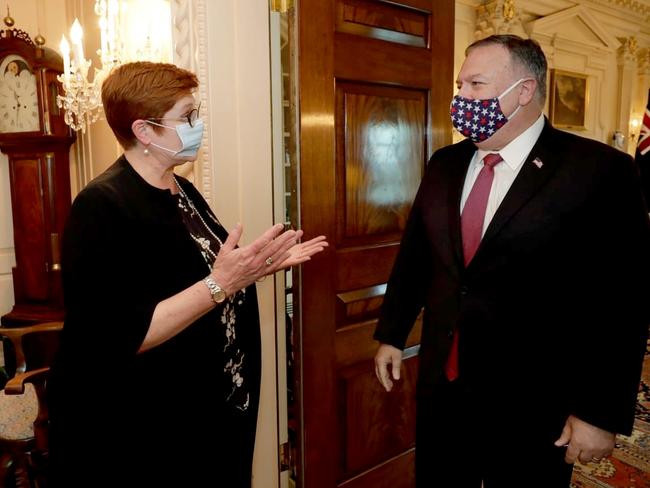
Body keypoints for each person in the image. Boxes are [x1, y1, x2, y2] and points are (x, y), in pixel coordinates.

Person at [373, 35, 650, 487]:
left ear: (524, 90)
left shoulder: (600, 172)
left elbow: (624, 303)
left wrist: (598, 413)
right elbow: (417, 256)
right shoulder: (445, 163)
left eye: (475, 85)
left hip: (535, 400)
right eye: (460, 84)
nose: (460, 97)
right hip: (444, 388)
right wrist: (391, 333)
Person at [47, 61, 327, 487]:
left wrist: (256, 267)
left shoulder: (181, 189)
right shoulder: (101, 206)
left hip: (216, 403)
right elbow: (121, 335)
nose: (198, 126)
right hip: (150, 427)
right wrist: (224, 283)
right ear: (144, 131)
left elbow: (203, 274)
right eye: (187, 117)